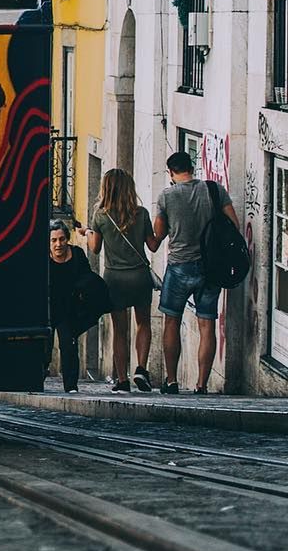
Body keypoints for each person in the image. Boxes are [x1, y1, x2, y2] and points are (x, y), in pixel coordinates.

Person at [152, 151, 240, 395]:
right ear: (191, 168)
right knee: (207, 324)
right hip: (210, 268)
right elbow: (233, 224)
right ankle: (201, 384)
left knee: (171, 320)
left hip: (179, 266)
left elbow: (158, 235)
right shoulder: (214, 190)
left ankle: (171, 381)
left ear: (171, 172)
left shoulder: (167, 196)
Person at [78, 169, 159, 394]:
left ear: (106, 188)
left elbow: (95, 249)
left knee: (119, 330)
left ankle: (122, 380)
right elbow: (152, 245)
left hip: (115, 279)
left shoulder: (101, 216)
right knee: (143, 323)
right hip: (140, 277)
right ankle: (141, 369)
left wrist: (86, 233)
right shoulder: (141, 213)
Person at [48, 219, 90, 393]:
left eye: (62, 239)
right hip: (48, 307)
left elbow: (87, 278)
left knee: (68, 345)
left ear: (67, 239)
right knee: (43, 347)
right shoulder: (42, 258)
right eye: (54, 240)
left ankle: (71, 385)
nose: (58, 244)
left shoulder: (77, 255)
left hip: (68, 307)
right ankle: (36, 379)